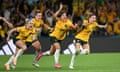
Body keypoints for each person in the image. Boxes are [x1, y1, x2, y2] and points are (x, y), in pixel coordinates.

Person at [39, 3, 76, 68]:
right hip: (53, 36)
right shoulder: (58, 20)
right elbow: (54, 16)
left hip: (60, 38)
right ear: (60, 16)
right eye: (63, 15)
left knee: (51, 53)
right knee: (58, 48)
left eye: (65, 15)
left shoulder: (68, 21)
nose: (65, 16)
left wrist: (74, 27)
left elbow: (73, 27)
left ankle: (41, 54)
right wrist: (60, 9)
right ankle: (56, 64)